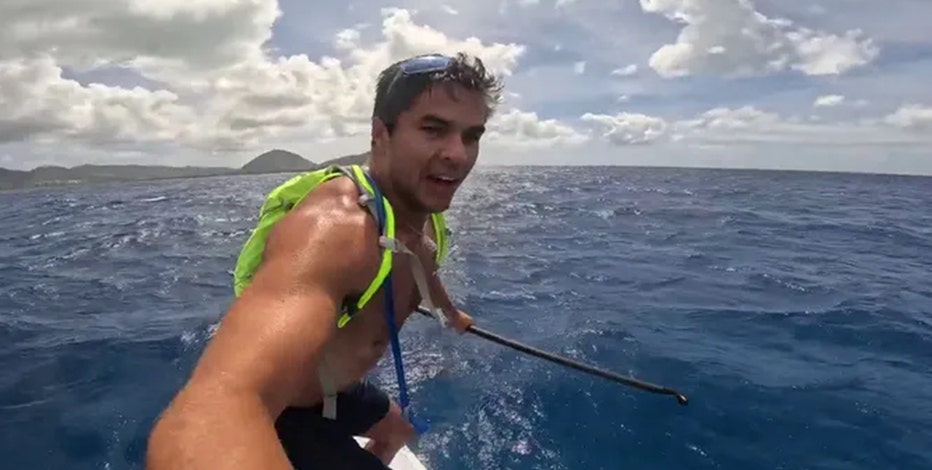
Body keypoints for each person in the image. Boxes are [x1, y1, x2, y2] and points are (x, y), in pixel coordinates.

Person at [146, 51, 504, 470]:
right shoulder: (336, 230)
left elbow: (421, 260)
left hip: (333, 391)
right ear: (379, 134)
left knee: (398, 431)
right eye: (433, 129)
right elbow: (212, 412)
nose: (458, 155)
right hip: (287, 413)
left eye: (471, 136)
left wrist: (448, 311)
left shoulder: (423, 220)